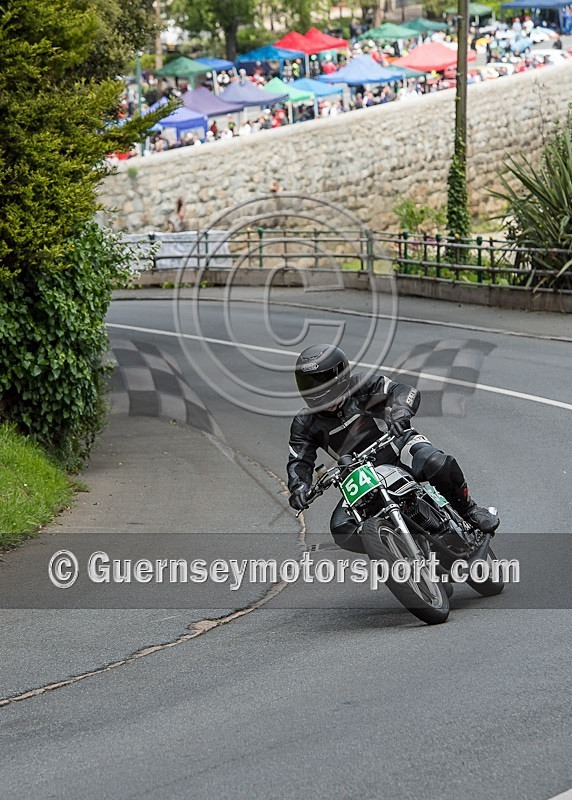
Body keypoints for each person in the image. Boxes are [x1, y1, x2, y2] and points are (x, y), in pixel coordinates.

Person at [287, 344, 500, 553]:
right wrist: (299, 488)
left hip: (397, 447)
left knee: (437, 462)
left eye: (320, 381)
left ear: (340, 376)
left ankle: (469, 510)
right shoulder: (304, 422)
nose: (314, 388)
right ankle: (396, 553)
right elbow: (299, 460)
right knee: (342, 528)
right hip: (360, 475)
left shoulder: (362, 385)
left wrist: (401, 411)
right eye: (308, 383)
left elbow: (404, 391)